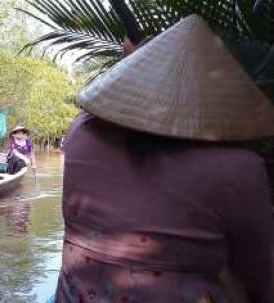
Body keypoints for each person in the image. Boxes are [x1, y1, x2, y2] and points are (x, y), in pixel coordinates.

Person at [55, 15, 274, 303]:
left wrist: (131, 63)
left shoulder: (80, 136)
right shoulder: (239, 170)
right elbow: (260, 279)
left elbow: (101, 110)